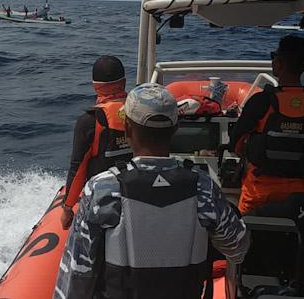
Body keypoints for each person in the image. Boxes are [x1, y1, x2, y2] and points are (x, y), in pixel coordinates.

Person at [54, 83, 250, 299]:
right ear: (175, 129)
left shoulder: (102, 189)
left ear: (127, 128)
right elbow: (238, 248)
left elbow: (78, 274)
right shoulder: (203, 187)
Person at [227, 35, 304, 214]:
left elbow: (235, 144)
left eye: (274, 56)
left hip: (259, 191)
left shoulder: (260, 101)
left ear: (279, 63)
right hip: (301, 193)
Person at [60, 56, 132, 229]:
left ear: (95, 86)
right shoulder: (139, 112)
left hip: (101, 200)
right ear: (123, 82)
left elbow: (78, 168)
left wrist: (67, 208)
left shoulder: (89, 121)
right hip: (138, 196)